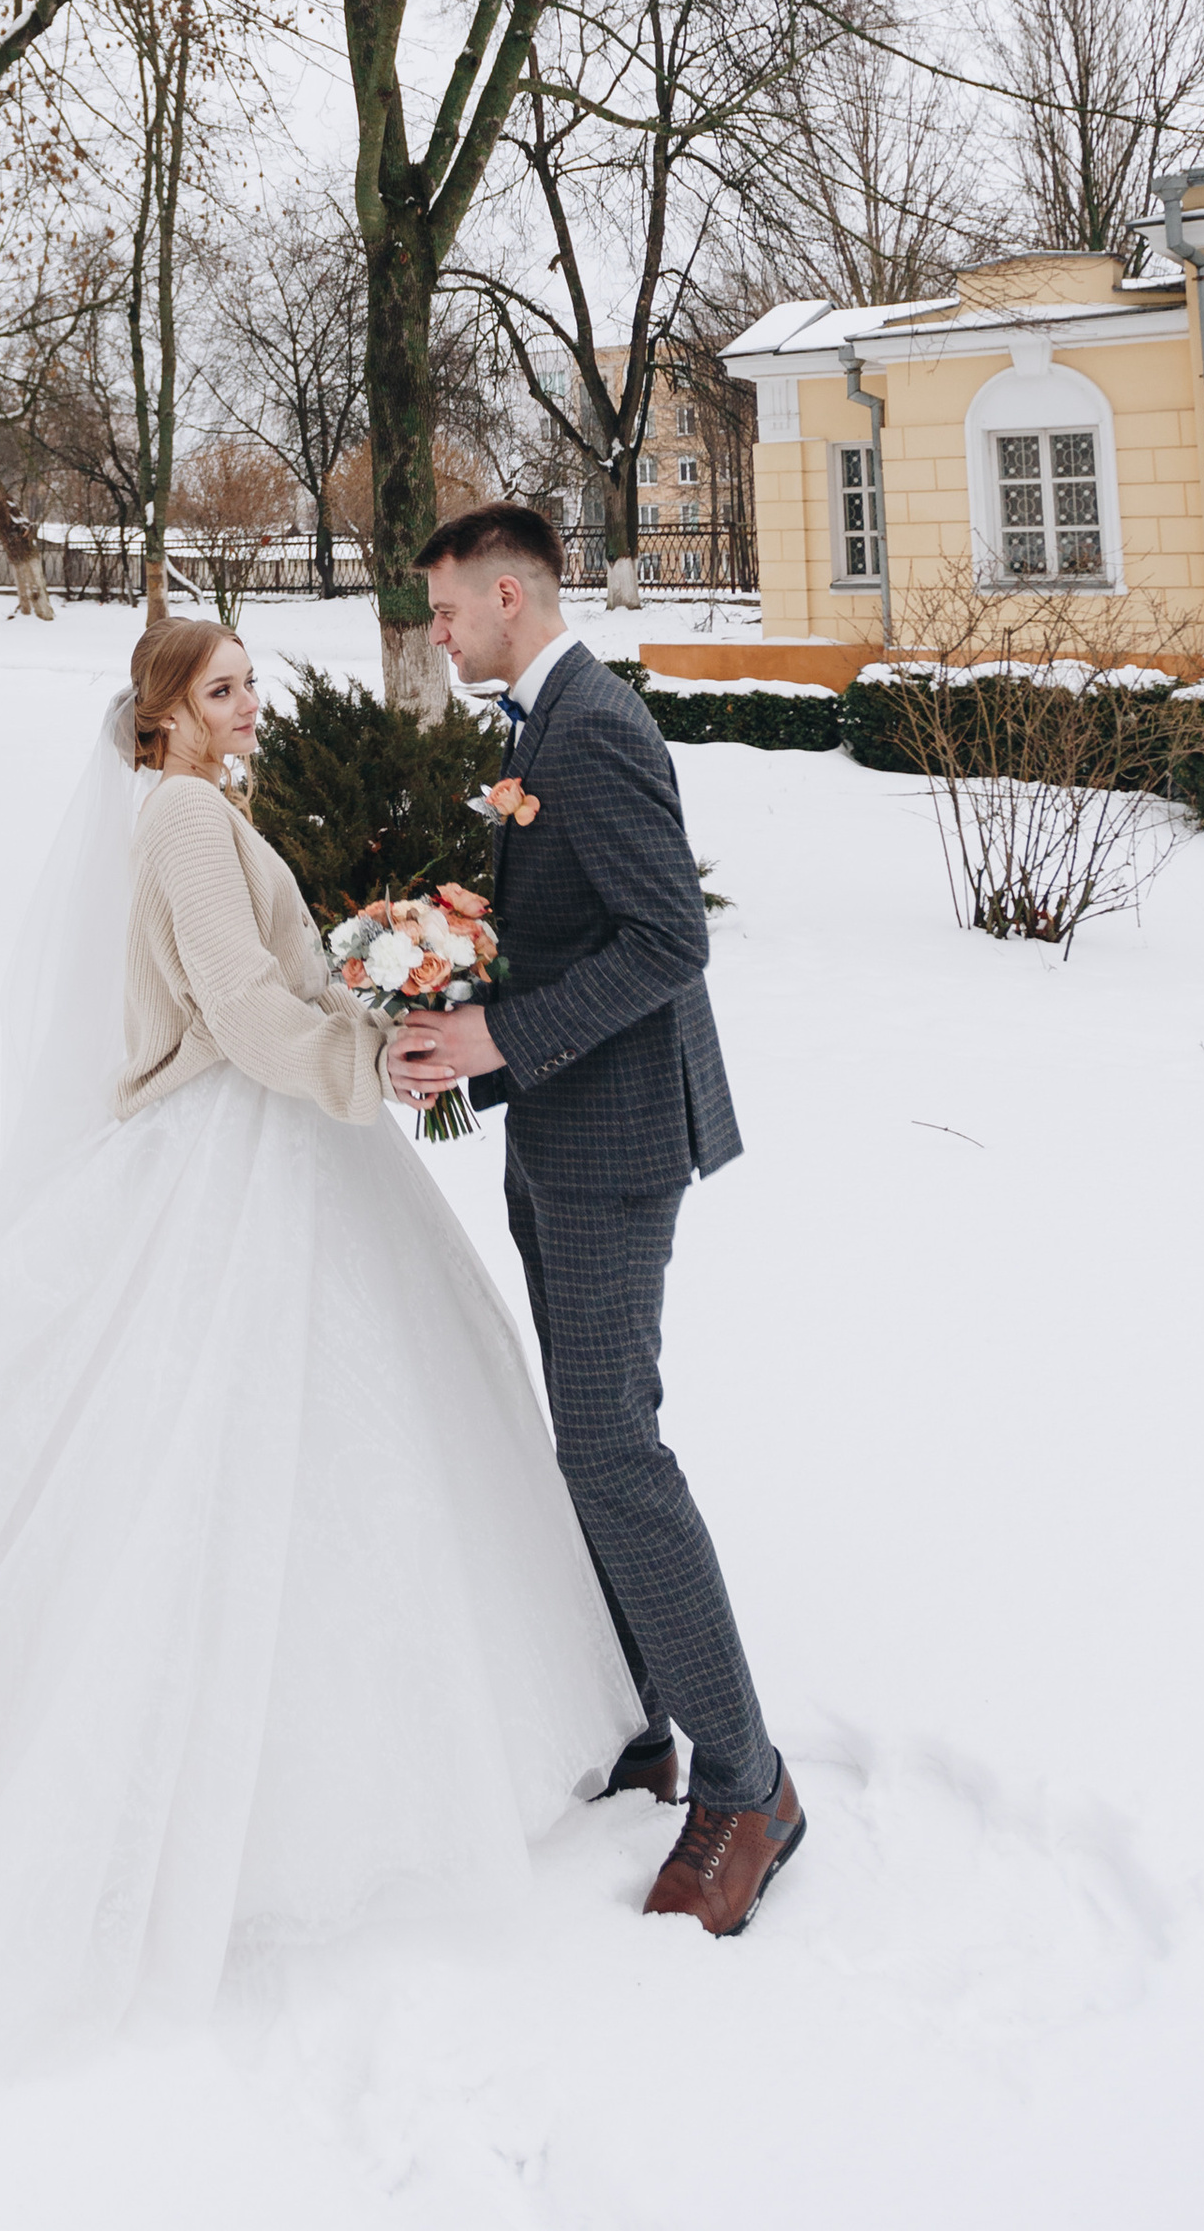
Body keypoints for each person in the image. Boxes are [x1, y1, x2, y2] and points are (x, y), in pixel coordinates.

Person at [0, 616, 633, 2061]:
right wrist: (368, 1056)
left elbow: (267, 985)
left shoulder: (199, 809)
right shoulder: (182, 823)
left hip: (276, 1130)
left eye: (251, 682)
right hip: (235, 1146)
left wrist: (379, 983)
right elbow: (238, 1007)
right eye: (222, 690)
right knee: (221, 1447)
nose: (251, 704)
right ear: (163, 713)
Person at [391, 504, 805, 1940]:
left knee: (615, 1450)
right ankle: (642, 1713)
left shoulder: (594, 728)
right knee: (593, 1442)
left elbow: (671, 940)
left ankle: (749, 1784)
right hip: (561, 1131)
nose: (438, 633)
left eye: (448, 609)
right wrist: (452, 978)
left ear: (508, 596)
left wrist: (498, 1038)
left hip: (617, 1144)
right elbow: (570, 923)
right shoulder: (538, 725)